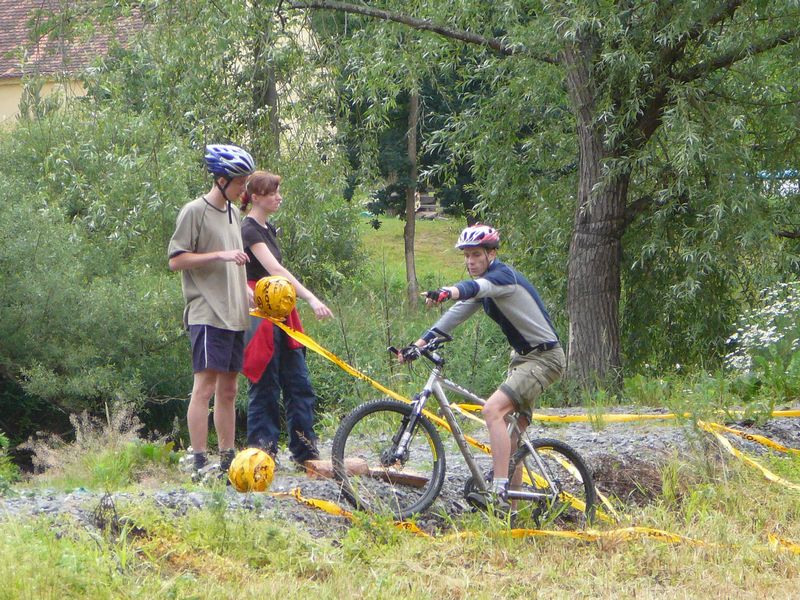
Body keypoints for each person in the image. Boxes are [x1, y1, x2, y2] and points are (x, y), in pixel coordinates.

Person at [400, 224, 565, 511]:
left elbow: (474, 288)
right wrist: (418, 345)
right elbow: (455, 315)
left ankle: (498, 489)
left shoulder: (503, 277)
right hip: (523, 359)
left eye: (476, 254)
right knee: (513, 441)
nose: (470, 261)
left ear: (491, 254)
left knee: (492, 410)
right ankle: (511, 513)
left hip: (545, 359)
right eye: (466, 256)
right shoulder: (484, 286)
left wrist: (447, 291)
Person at [167, 144, 256, 481]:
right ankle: (199, 460)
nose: (243, 189)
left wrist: (247, 292)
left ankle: (227, 457)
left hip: (235, 313)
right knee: (204, 386)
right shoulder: (194, 211)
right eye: (239, 183)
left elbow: (235, 262)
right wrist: (218, 256)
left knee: (229, 389)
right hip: (206, 311)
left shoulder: (234, 214)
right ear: (221, 180)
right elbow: (176, 260)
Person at [240, 170, 333, 467]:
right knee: (265, 383)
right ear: (256, 197)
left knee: (298, 382)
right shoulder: (248, 229)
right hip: (259, 312)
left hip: (282, 308)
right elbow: (274, 270)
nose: (278, 197)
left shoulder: (270, 229)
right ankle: (262, 453)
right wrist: (311, 297)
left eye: (278, 192)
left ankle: (305, 451)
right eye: (272, 193)